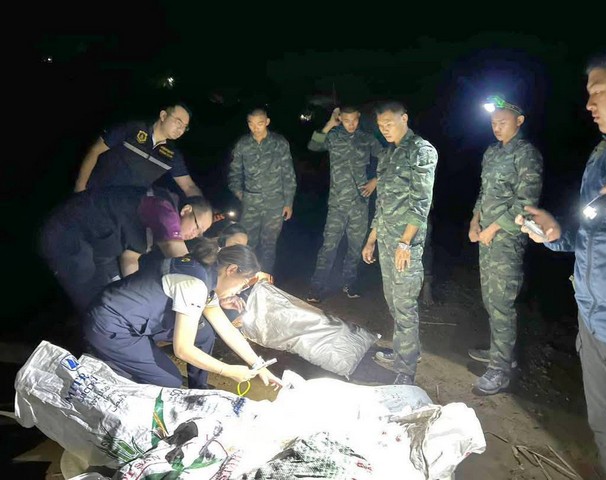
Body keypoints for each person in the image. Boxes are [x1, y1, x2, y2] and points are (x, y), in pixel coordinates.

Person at [517, 49, 606, 479]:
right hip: (595, 327)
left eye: (598, 91)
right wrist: (556, 235)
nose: (588, 104)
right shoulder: (604, 155)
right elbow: (592, 236)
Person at [83, 239, 282, 390]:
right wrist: (227, 371)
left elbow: (227, 329)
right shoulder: (194, 285)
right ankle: (111, 369)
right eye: (243, 283)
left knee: (204, 333)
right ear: (232, 270)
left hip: (129, 314)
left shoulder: (204, 271)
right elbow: (182, 349)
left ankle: (198, 388)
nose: (239, 291)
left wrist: (259, 366)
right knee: (169, 381)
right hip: (111, 326)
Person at [466, 95, 543, 395]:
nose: (496, 127)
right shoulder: (492, 152)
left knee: (502, 302)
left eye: (502, 122)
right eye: (493, 123)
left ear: (519, 121)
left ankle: (500, 368)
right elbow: (484, 192)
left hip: (507, 239)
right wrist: (475, 222)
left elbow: (526, 203)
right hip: (486, 236)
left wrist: (493, 229)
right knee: (491, 299)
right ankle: (501, 351)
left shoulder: (526, 154)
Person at [39, 186, 214, 311]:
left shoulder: (156, 229)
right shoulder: (163, 207)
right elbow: (176, 251)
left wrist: (134, 294)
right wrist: (203, 291)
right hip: (68, 230)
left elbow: (130, 257)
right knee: (83, 275)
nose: (195, 234)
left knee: (108, 297)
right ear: (186, 210)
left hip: (97, 249)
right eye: (197, 226)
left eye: (200, 234)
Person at [362, 101, 437, 385]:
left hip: (405, 245)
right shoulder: (387, 154)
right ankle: (404, 352)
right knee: (393, 301)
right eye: (380, 126)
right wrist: (371, 239)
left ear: (404, 119)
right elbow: (382, 204)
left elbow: (421, 203)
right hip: (386, 241)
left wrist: (405, 243)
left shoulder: (421, 151)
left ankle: (406, 371)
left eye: (389, 124)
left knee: (405, 306)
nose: (384, 129)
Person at [305, 106, 383, 303]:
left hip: (359, 203)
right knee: (328, 247)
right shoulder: (333, 136)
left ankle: (350, 283)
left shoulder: (366, 138)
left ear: (359, 118)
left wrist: (375, 180)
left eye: (354, 120)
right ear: (340, 118)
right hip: (337, 204)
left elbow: (388, 158)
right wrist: (330, 124)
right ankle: (316, 287)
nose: (351, 124)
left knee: (355, 248)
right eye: (346, 120)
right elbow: (313, 146)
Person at [74, 102, 203, 197]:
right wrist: (80, 187)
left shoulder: (173, 155)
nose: (181, 130)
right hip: (95, 194)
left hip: (122, 210)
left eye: (185, 127)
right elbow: (95, 150)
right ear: (163, 116)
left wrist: (203, 208)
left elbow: (188, 186)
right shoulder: (132, 128)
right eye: (178, 123)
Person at [227, 108, 297, 276]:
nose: (255, 128)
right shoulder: (243, 144)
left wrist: (288, 202)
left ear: (267, 122)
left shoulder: (279, 143)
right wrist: (240, 194)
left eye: (259, 123)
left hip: (275, 203)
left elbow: (288, 174)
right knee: (246, 242)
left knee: (269, 245)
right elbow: (234, 172)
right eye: (251, 124)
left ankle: (265, 279)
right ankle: (244, 278)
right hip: (251, 202)